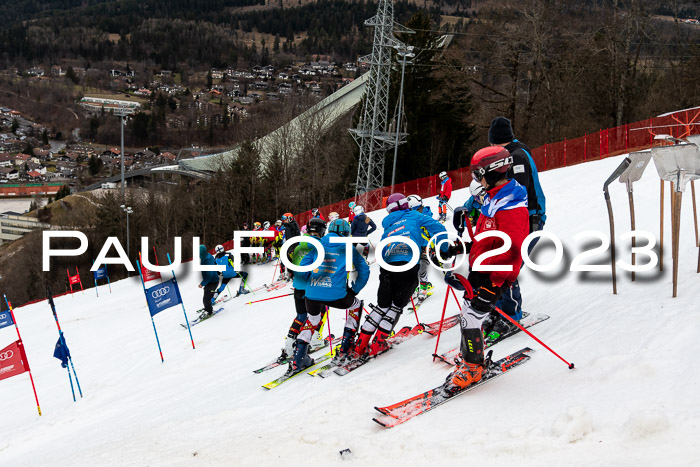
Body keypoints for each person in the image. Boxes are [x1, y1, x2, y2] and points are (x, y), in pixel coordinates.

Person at [443, 146, 529, 393]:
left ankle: (474, 367)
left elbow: (512, 248)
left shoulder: (511, 204)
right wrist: (462, 246)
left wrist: (495, 283)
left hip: (495, 273)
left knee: (472, 315)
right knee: (468, 312)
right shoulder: (494, 198)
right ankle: (470, 356)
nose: (475, 179)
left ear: (493, 171)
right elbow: (486, 237)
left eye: (477, 173)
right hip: (482, 268)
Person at [353, 193, 448, 358]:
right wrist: (444, 249)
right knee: (396, 306)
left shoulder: (389, 223)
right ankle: (378, 344)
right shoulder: (413, 214)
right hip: (407, 263)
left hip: (387, 265)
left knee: (382, 305)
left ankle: (360, 344)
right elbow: (438, 228)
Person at [488, 116, 547, 327]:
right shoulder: (509, 155)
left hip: (529, 217)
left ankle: (511, 314)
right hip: (513, 219)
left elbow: (517, 192)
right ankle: (498, 308)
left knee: (508, 266)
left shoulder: (517, 156)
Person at [292, 219, 370, 373]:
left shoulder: (317, 245)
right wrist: (355, 290)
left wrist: (313, 282)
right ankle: (346, 348)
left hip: (312, 294)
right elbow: (364, 271)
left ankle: (299, 358)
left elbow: (302, 269)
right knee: (356, 305)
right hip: (337, 295)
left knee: (313, 319)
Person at [279, 218, 328, 362]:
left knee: (301, 316)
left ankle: (289, 346)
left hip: (298, 286)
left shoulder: (299, 244)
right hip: (312, 287)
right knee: (321, 312)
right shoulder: (318, 245)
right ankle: (314, 339)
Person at [406, 194, 435, 297]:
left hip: (426, 246)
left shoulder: (426, 217)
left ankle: (423, 289)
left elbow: (433, 231)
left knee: (422, 267)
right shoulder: (410, 218)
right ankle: (415, 288)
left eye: (417, 209)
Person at [197, 245, 221, 318]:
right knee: (207, 294)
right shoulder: (208, 256)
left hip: (213, 281)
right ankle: (208, 308)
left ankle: (209, 311)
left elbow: (209, 276)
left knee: (206, 298)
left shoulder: (206, 261)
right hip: (212, 281)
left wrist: (202, 284)